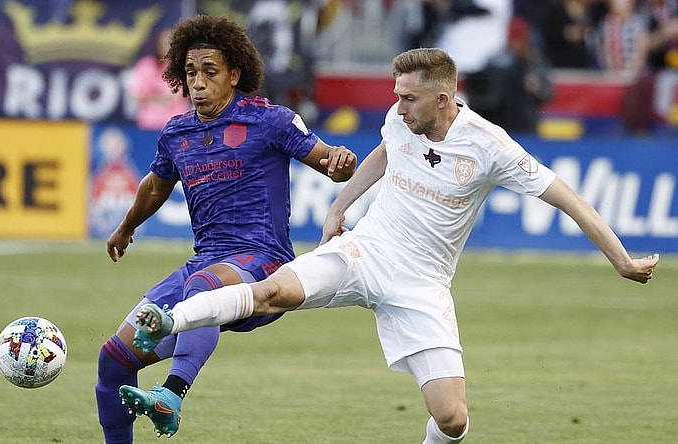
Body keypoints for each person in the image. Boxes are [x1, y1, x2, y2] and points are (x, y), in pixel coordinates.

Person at [131, 47, 660, 443]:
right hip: (365, 252)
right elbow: (385, 152)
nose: (396, 106)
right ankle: (170, 319)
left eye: (407, 97)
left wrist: (622, 261)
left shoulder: (490, 146)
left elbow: (571, 200)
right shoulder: (401, 118)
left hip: (422, 284)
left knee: (452, 418)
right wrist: (340, 208)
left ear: (443, 99)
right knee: (274, 292)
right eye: (395, 94)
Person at [96, 14, 357, 443]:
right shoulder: (177, 133)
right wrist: (126, 227)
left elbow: (327, 161)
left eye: (209, 72)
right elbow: (155, 186)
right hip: (207, 262)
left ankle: (171, 394)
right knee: (113, 362)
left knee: (204, 287)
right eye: (190, 72)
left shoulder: (270, 120)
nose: (197, 83)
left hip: (264, 263)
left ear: (235, 74)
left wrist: (340, 162)